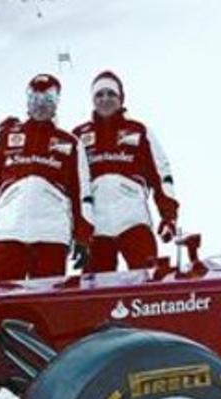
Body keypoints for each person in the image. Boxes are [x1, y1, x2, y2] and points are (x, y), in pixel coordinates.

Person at [0, 74, 94, 283]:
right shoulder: (6, 137)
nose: (41, 106)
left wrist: (83, 237)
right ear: (27, 101)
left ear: (56, 103)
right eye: (35, 99)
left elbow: (82, 193)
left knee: (46, 307)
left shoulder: (70, 143)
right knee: (0, 300)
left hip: (51, 236)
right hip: (9, 232)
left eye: (48, 100)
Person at [72, 71, 179, 273]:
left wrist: (169, 216)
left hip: (134, 221)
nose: (105, 99)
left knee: (148, 282)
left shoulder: (139, 130)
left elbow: (162, 174)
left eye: (111, 94)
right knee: (95, 294)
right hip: (96, 227)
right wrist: (75, 231)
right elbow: (69, 185)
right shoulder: (79, 136)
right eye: (99, 95)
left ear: (121, 98)